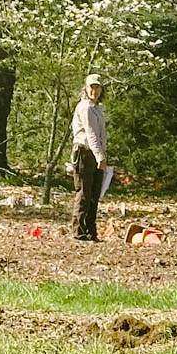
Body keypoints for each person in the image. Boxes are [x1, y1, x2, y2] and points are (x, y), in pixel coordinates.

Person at [70, 74, 107, 241]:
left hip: (95, 152)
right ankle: (78, 231)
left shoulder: (97, 108)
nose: (95, 91)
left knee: (94, 193)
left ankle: (91, 231)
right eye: (91, 87)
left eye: (97, 87)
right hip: (84, 152)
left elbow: (101, 134)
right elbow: (91, 135)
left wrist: (102, 153)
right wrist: (100, 157)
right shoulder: (85, 108)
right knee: (84, 192)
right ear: (85, 88)